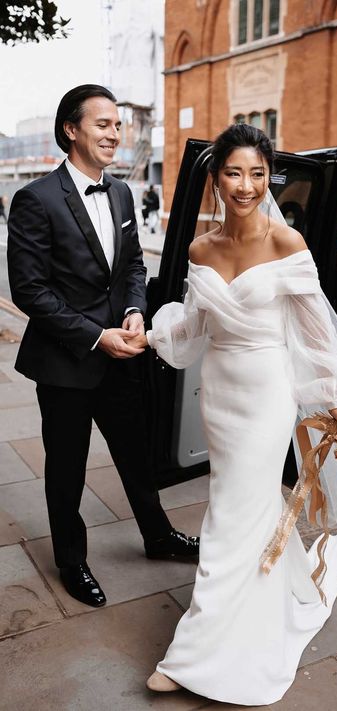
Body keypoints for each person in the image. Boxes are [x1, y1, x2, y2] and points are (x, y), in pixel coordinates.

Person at [131, 124, 337, 705]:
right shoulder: (200, 249)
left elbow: (318, 338)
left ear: (269, 178)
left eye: (258, 173)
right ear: (215, 178)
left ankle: (192, 655)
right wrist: (149, 333)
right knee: (244, 506)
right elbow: (193, 327)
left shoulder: (288, 244)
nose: (246, 185)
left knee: (226, 517)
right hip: (220, 394)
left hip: (270, 393)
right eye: (234, 172)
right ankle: (272, 592)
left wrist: (336, 407)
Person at [7, 84, 199, 610]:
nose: (116, 133)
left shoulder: (121, 194)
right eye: (104, 124)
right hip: (67, 363)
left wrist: (135, 310)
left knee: (137, 456)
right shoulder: (36, 198)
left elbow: (134, 267)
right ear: (72, 129)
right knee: (66, 469)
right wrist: (96, 336)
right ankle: (72, 562)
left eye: (119, 125)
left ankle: (158, 537)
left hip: (124, 356)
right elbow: (29, 289)